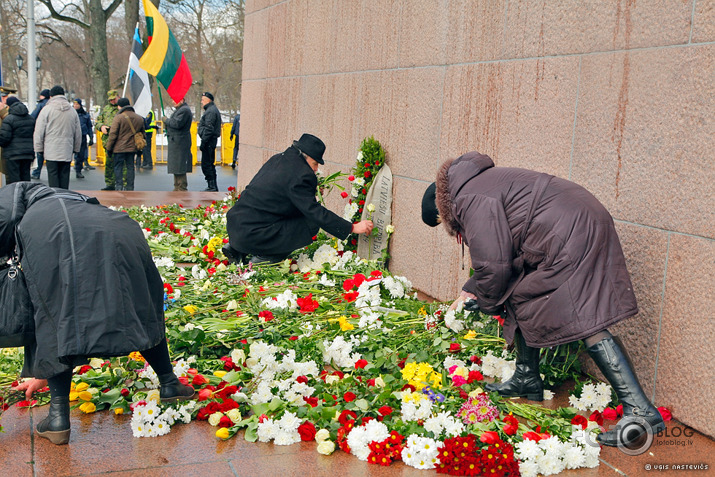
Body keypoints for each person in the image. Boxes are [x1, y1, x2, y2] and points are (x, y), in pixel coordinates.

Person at [421, 151, 665, 447]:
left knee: (584, 315)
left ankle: (640, 411)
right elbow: (503, 253)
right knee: (521, 292)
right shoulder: (475, 186)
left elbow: (495, 265)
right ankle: (527, 376)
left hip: (569, 232)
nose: (456, 234)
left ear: (443, 211)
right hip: (573, 221)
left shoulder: (469, 200)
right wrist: (474, 288)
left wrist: (485, 302)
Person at [0, 182, 195, 445]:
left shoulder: (14, 194)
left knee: (52, 313)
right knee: (141, 302)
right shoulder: (68, 197)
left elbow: (6, 220)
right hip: (119, 226)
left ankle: (58, 418)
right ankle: (170, 383)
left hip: (53, 231)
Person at [225, 134, 374, 264]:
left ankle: (237, 250)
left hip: (236, 226)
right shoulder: (302, 175)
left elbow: (275, 197)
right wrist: (352, 227)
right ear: (305, 156)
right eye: (315, 163)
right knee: (310, 223)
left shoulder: (278, 159)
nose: (316, 169)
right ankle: (264, 259)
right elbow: (314, 212)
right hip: (252, 234)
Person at [33, 85, 81, 190]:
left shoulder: (46, 110)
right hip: (66, 149)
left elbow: (39, 131)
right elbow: (78, 133)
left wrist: (39, 149)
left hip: (51, 150)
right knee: (64, 175)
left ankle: (55, 200)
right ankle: (64, 197)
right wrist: (76, 148)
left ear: (51, 96)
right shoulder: (72, 111)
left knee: (53, 176)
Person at [104, 98, 145, 191]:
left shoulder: (118, 118)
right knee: (130, 167)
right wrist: (140, 148)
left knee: (118, 167)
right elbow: (143, 134)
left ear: (120, 106)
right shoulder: (139, 118)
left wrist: (109, 148)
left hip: (119, 148)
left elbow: (113, 134)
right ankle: (130, 186)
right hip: (132, 148)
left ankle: (119, 186)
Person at [0, 96, 36, 183]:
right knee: (25, 177)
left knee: (14, 179)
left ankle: (16, 196)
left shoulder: (9, 119)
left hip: (12, 154)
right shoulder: (31, 119)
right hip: (28, 153)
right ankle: (25, 195)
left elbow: (4, 138)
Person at [163, 97, 193, 191]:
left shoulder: (184, 110)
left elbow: (176, 124)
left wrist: (166, 120)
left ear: (182, 100)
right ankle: (177, 187)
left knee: (179, 166)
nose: (173, 102)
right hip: (177, 141)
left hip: (180, 142)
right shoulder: (181, 110)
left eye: (175, 100)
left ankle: (181, 187)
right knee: (177, 167)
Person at [95, 89, 120, 190]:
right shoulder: (106, 109)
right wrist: (101, 126)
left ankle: (121, 183)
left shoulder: (121, 109)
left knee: (122, 165)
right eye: (110, 100)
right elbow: (97, 122)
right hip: (108, 141)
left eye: (114, 99)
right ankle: (110, 183)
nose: (112, 102)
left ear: (118, 97)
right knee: (109, 164)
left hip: (120, 140)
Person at [197, 92, 221, 191]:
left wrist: (204, 141)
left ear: (208, 100)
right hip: (210, 140)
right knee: (209, 164)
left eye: (203, 99)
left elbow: (209, 128)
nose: (201, 102)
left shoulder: (210, 111)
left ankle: (212, 186)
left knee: (207, 164)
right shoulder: (211, 110)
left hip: (209, 141)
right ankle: (212, 185)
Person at [30, 89, 50, 179]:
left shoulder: (41, 104)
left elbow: (33, 116)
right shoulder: (52, 104)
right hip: (52, 133)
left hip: (42, 131)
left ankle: (37, 172)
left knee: (40, 153)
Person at [73, 98, 93, 178]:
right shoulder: (71, 114)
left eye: (77, 104)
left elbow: (89, 127)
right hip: (72, 136)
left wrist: (91, 137)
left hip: (82, 136)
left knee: (80, 154)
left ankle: (78, 170)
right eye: (74, 104)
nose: (76, 106)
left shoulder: (85, 115)